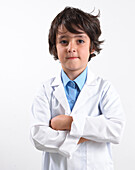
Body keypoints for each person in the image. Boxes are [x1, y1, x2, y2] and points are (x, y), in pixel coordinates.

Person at [30, 6, 126, 170]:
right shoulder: (46, 90)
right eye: (63, 41)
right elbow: (39, 136)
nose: (71, 48)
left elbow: (116, 130)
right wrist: (87, 133)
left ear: (92, 47)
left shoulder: (104, 89)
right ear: (55, 47)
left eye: (80, 41)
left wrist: (69, 122)